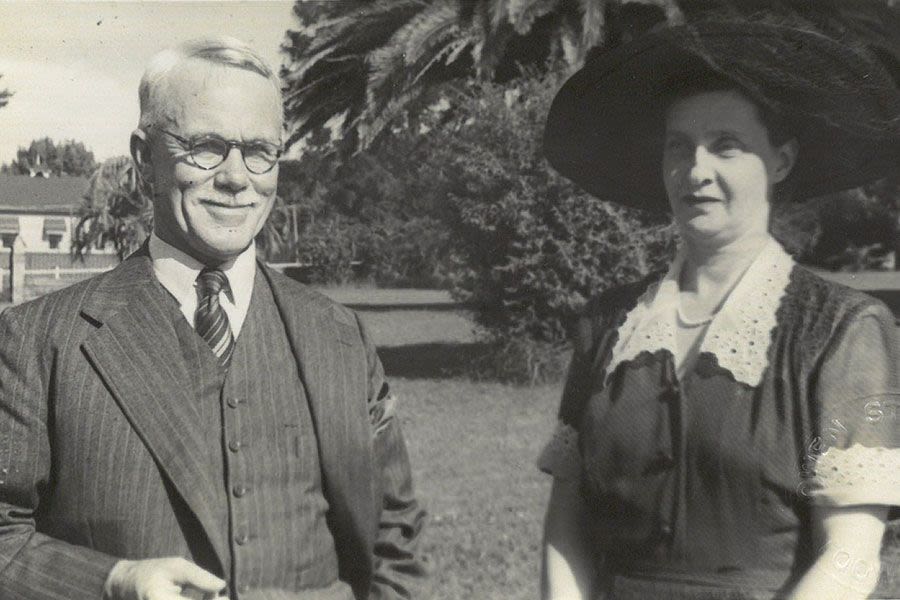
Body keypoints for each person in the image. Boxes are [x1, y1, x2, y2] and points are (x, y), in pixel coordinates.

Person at [0, 37, 425, 600]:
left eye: (259, 152)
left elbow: (396, 542)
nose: (235, 176)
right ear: (142, 159)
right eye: (205, 147)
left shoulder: (341, 337)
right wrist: (113, 581)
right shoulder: (38, 341)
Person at [538, 16, 900, 600]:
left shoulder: (841, 331)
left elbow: (852, 557)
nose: (696, 170)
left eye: (725, 145)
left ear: (780, 161)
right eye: (678, 147)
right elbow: (568, 523)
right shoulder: (609, 327)